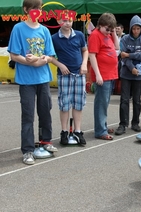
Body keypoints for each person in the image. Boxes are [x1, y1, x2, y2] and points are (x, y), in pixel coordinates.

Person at [7, 0, 58, 165]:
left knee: (45, 112)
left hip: (43, 79)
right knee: (28, 116)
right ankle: (28, 150)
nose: (37, 11)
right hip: (26, 81)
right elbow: (14, 55)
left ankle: (46, 141)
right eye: (33, 8)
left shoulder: (44, 30)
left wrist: (39, 61)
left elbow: (50, 56)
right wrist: (29, 61)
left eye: (39, 8)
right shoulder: (18, 29)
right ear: (26, 10)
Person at [51, 15, 88, 146]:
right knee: (64, 104)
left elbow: (85, 50)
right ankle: (64, 131)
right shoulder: (54, 38)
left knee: (78, 103)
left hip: (79, 74)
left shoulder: (79, 35)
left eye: (70, 20)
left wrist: (84, 64)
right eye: (64, 20)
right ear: (58, 21)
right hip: (64, 75)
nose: (67, 23)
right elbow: (50, 57)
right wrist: (60, 65)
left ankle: (78, 131)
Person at [114, 15, 141, 135]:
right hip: (126, 74)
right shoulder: (124, 39)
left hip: (139, 75)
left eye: (138, 29)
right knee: (124, 100)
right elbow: (122, 57)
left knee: (137, 101)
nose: (135, 31)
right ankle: (122, 124)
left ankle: (135, 123)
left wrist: (129, 54)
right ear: (130, 29)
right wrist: (132, 67)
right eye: (134, 28)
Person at [88, 13, 119, 140]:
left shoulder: (107, 34)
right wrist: (98, 75)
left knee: (105, 102)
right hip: (103, 74)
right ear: (100, 25)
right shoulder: (95, 35)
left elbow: (117, 46)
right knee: (101, 102)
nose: (108, 32)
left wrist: (114, 33)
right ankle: (100, 130)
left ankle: (103, 126)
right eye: (107, 29)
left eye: (110, 30)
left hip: (110, 73)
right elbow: (92, 55)